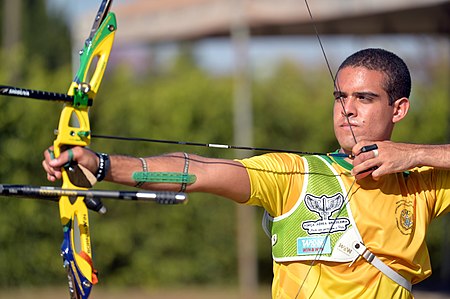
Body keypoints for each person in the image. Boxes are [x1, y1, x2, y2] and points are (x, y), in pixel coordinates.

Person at [43, 48, 450, 298]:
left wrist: (411, 154)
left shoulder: (422, 183)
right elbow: (199, 171)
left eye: (365, 98)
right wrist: (103, 164)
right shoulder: (297, 174)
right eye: (341, 96)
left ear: (398, 109)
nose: (348, 109)